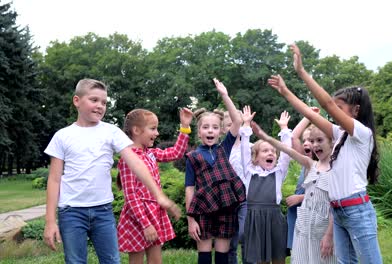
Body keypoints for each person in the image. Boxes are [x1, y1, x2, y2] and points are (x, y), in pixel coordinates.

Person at [43, 78, 181, 264]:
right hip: (71, 211)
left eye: (104, 102)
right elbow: (54, 180)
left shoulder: (111, 132)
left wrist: (159, 195)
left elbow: (136, 163)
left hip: (103, 211)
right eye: (94, 100)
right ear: (77, 101)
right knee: (75, 261)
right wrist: (50, 221)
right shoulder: (62, 136)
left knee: (112, 260)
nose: (100, 106)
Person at [268, 44, 382, 264]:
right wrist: (285, 92)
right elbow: (308, 111)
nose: (333, 111)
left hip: (357, 210)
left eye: (340, 107)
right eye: (335, 108)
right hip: (338, 211)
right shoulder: (338, 134)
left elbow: (326, 103)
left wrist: (301, 72)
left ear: (356, 111)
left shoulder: (362, 133)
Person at [253, 117, 337, 263]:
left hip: (323, 226)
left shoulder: (336, 170)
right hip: (304, 226)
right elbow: (287, 150)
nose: (314, 145)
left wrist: (329, 235)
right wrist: (265, 136)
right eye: (312, 141)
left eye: (319, 140)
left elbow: (335, 206)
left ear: (332, 142)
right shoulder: (311, 164)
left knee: (323, 259)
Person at [116, 107, 193, 264]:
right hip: (138, 217)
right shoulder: (128, 159)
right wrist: (145, 224)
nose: (157, 133)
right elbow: (131, 196)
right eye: (152, 128)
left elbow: (175, 153)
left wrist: (184, 127)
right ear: (136, 130)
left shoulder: (149, 153)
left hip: (155, 212)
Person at [185, 78, 246, 264]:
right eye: (205, 127)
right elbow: (189, 189)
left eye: (214, 127)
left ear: (220, 131)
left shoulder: (224, 148)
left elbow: (237, 120)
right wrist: (191, 220)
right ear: (199, 131)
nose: (210, 131)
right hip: (202, 210)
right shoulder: (193, 156)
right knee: (204, 256)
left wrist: (224, 95)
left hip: (226, 208)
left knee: (222, 257)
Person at [239, 107, 292, 264]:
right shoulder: (249, 172)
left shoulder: (278, 172)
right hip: (254, 220)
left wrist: (284, 129)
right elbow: (244, 148)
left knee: (277, 258)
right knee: (261, 259)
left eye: (273, 151)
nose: (270, 153)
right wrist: (246, 125)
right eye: (265, 151)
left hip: (274, 220)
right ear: (255, 157)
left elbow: (287, 152)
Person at [223, 110, 251, 264]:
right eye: (229, 124)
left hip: (245, 198)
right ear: (223, 129)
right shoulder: (222, 150)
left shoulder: (250, 147)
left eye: (237, 123)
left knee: (244, 234)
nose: (234, 127)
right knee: (230, 241)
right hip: (227, 200)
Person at [285, 116, 313, 255]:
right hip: (297, 213)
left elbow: (325, 191)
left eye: (311, 140)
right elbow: (294, 137)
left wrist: (299, 198)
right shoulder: (305, 160)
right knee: (298, 251)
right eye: (305, 140)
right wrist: (308, 116)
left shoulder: (323, 164)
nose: (306, 143)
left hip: (311, 213)